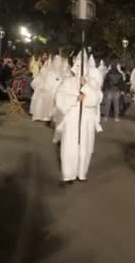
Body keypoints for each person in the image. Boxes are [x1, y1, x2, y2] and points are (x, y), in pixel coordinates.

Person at [55, 51, 103, 183]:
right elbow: (60, 98)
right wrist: (76, 98)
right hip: (72, 118)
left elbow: (97, 99)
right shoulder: (68, 82)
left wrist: (86, 87)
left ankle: (81, 173)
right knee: (69, 146)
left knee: (85, 148)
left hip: (87, 119)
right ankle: (68, 174)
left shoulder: (92, 82)